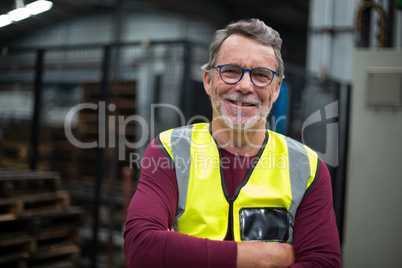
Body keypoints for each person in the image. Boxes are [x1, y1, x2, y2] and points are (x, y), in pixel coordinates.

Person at [124, 18, 342, 267]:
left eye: (261, 75)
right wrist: (266, 257)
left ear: (277, 89)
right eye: (231, 71)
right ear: (208, 81)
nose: (245, 86)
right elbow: (141, 249)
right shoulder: (169, 151)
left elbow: (324, 263)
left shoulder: (308, 169)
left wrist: (179, 252)